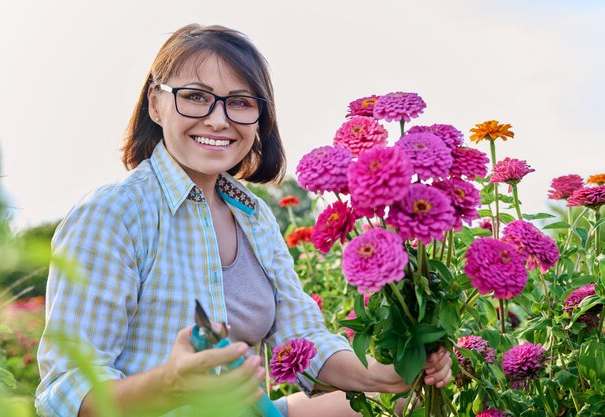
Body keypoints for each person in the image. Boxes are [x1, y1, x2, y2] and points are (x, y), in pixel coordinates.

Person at [35, 24, 452, 417]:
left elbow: (300, 336)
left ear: (259, 118)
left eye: (239, 102)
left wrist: (378, 375)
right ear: (156, 104)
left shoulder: (253, 214)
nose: (219, 120)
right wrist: (170, 385)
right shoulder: (112, 215)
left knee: (405, 403)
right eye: (195, 96)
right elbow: (66, 391)